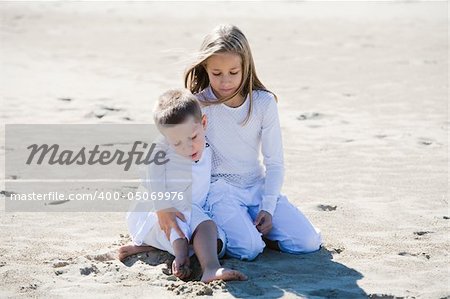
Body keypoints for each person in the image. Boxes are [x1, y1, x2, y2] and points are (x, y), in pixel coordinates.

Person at [183, 24, 323, 261]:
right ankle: (240, 232)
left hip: (256, 188)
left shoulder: (263, 103)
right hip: (220, 192)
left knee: (308, 242)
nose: (225, 81)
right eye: (217, 73)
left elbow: (275, 163)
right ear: (205, 67)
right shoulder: (198, 104)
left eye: (233, 72)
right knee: (250, 249)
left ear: (246, 67)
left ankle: (260, 230)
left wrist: (267, 207)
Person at [119, 89, 247, 282]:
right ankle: (184, 258)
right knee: (178, 232)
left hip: (193, 211)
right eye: (177, 143)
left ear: (203, 123)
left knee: (212, 235)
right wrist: (162, 206)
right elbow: (152, 179)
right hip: (164, 210)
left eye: (193, 137)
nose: (188, 147)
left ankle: (210, 268)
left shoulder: (209, 146)